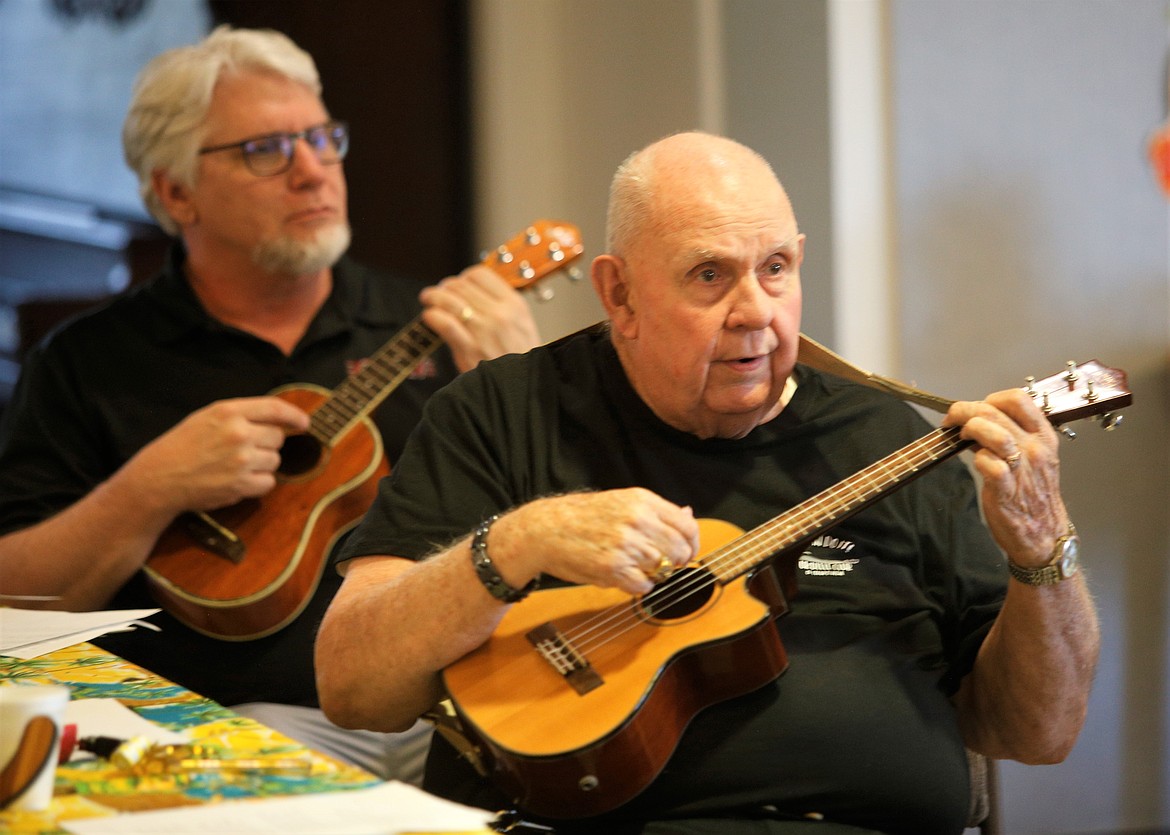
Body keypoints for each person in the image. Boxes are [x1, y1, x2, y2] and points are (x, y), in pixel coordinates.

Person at [314, 131, 1100, 834]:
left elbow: (1040, 731)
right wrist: (514, 543)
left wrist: (1043, 549)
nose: (754, 310)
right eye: (709, 276)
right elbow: (353, 686)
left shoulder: (888, 435)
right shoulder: (499, 412)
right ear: (618, 292)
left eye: (777, 268)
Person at [0, 25, 541, 784]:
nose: (314, 172)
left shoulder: (431, 326)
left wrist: (514, 386)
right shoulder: (89, 363)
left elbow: (552, 539)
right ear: (175, 191)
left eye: (323, 139)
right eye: (267, 149)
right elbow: (13, 601)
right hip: (227, 730)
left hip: (447, 707)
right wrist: (148, 488)